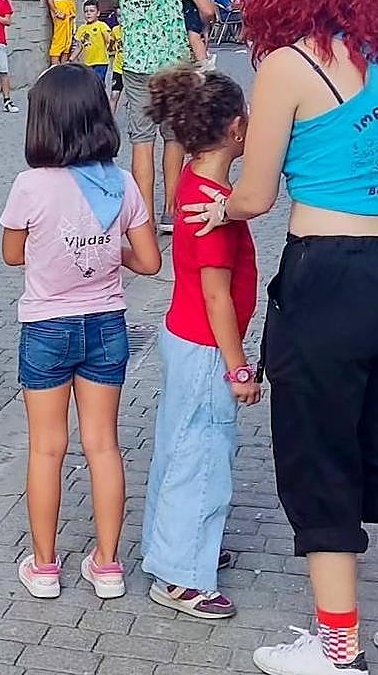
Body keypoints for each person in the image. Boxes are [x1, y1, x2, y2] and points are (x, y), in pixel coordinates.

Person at [181, 0, 378, 674]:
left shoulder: (291, 64)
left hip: (331, 278)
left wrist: (220, 205)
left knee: (316, 460)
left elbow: (256, 194)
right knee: (367, 441)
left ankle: (338, 651)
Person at [2, 64, 161, 601]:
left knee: (47, 449)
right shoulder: (120, 183)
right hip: (106, 325)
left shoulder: (30, 184)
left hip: (46, 326)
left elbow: (11, 253)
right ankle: (109, 565)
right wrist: (103, 249)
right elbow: (149, 261)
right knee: (103, 445)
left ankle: (44, 567)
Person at [141, 67, 258, 620]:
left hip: (186, 338)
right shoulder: (214, 205)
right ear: (236, 129)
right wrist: (238, 369)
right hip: (207, 346)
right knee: (204, 456)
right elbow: (218, 298)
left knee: (180, 447)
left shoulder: (197, 183)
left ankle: (177, 550)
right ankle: (182, 573)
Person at [98, 0, 217, 234]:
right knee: (174, 135)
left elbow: (105, 1)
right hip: (174, 61)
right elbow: (207, 8)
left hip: (135, 59)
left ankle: (144, 219)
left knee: (141, 139)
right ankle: (170, 212)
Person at [71, 0, 112, 85]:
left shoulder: (101, 25)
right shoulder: (81, 29)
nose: (88, 13)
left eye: (92, 11)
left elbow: (109, 40)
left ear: (98, 13)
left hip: (101, 62)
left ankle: (100, 98)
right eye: (86, 11)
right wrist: (71, 59)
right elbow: (79, 46)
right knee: (89, 85)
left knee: (97, 83)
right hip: (88, 63)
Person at [109, 12, 125, 115]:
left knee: (133, 99)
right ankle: (109, 122)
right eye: (118, 16)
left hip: (131, 70)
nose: (121, 19)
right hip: (118, 68)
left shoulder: (134, 29)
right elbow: (110, 46)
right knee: (114, 95)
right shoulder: (115, 30)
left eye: (122, 15)